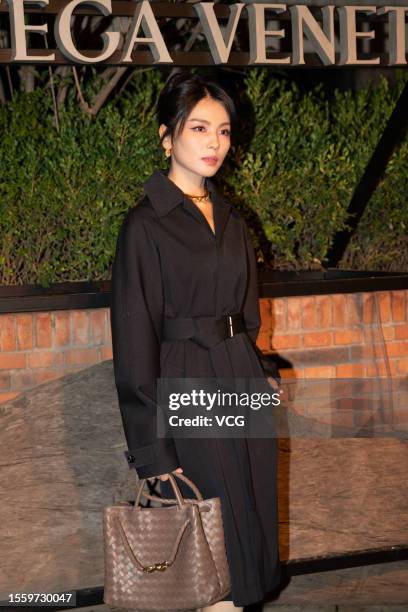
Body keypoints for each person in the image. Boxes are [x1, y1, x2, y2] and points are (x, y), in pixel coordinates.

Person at [110, 70, 282, 611]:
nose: (215, 143)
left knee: (249, 522)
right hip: (187, 382)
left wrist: (260, 376)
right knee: (211, 534)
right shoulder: (146, 225)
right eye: (200, 128)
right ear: (167, 136)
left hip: (238, 378)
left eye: (225, 131)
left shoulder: (232, 218)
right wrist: (153, 451)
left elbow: (248, 312)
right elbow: (134, 340)